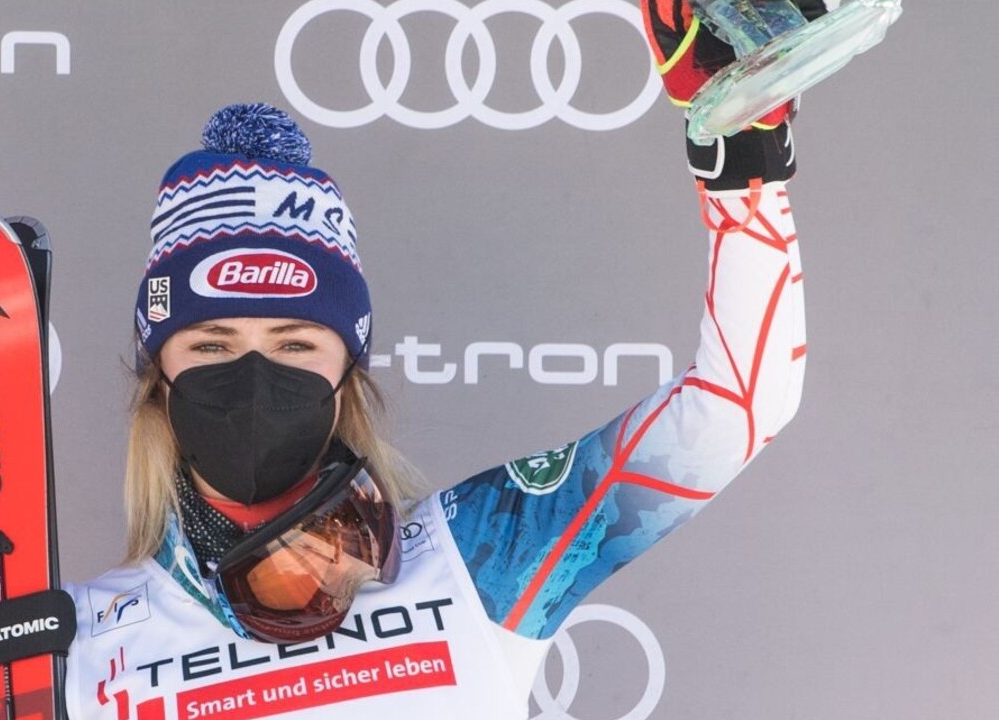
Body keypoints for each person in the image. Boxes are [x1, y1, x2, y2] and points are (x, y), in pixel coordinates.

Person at [63, 1, 824, 717]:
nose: (255, 381)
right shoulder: (74, 646)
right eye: (212, 346)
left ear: (347, 374)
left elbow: (737, 407)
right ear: (158, 380)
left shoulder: (484, 555)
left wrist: (740, 151)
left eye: (295, 345)